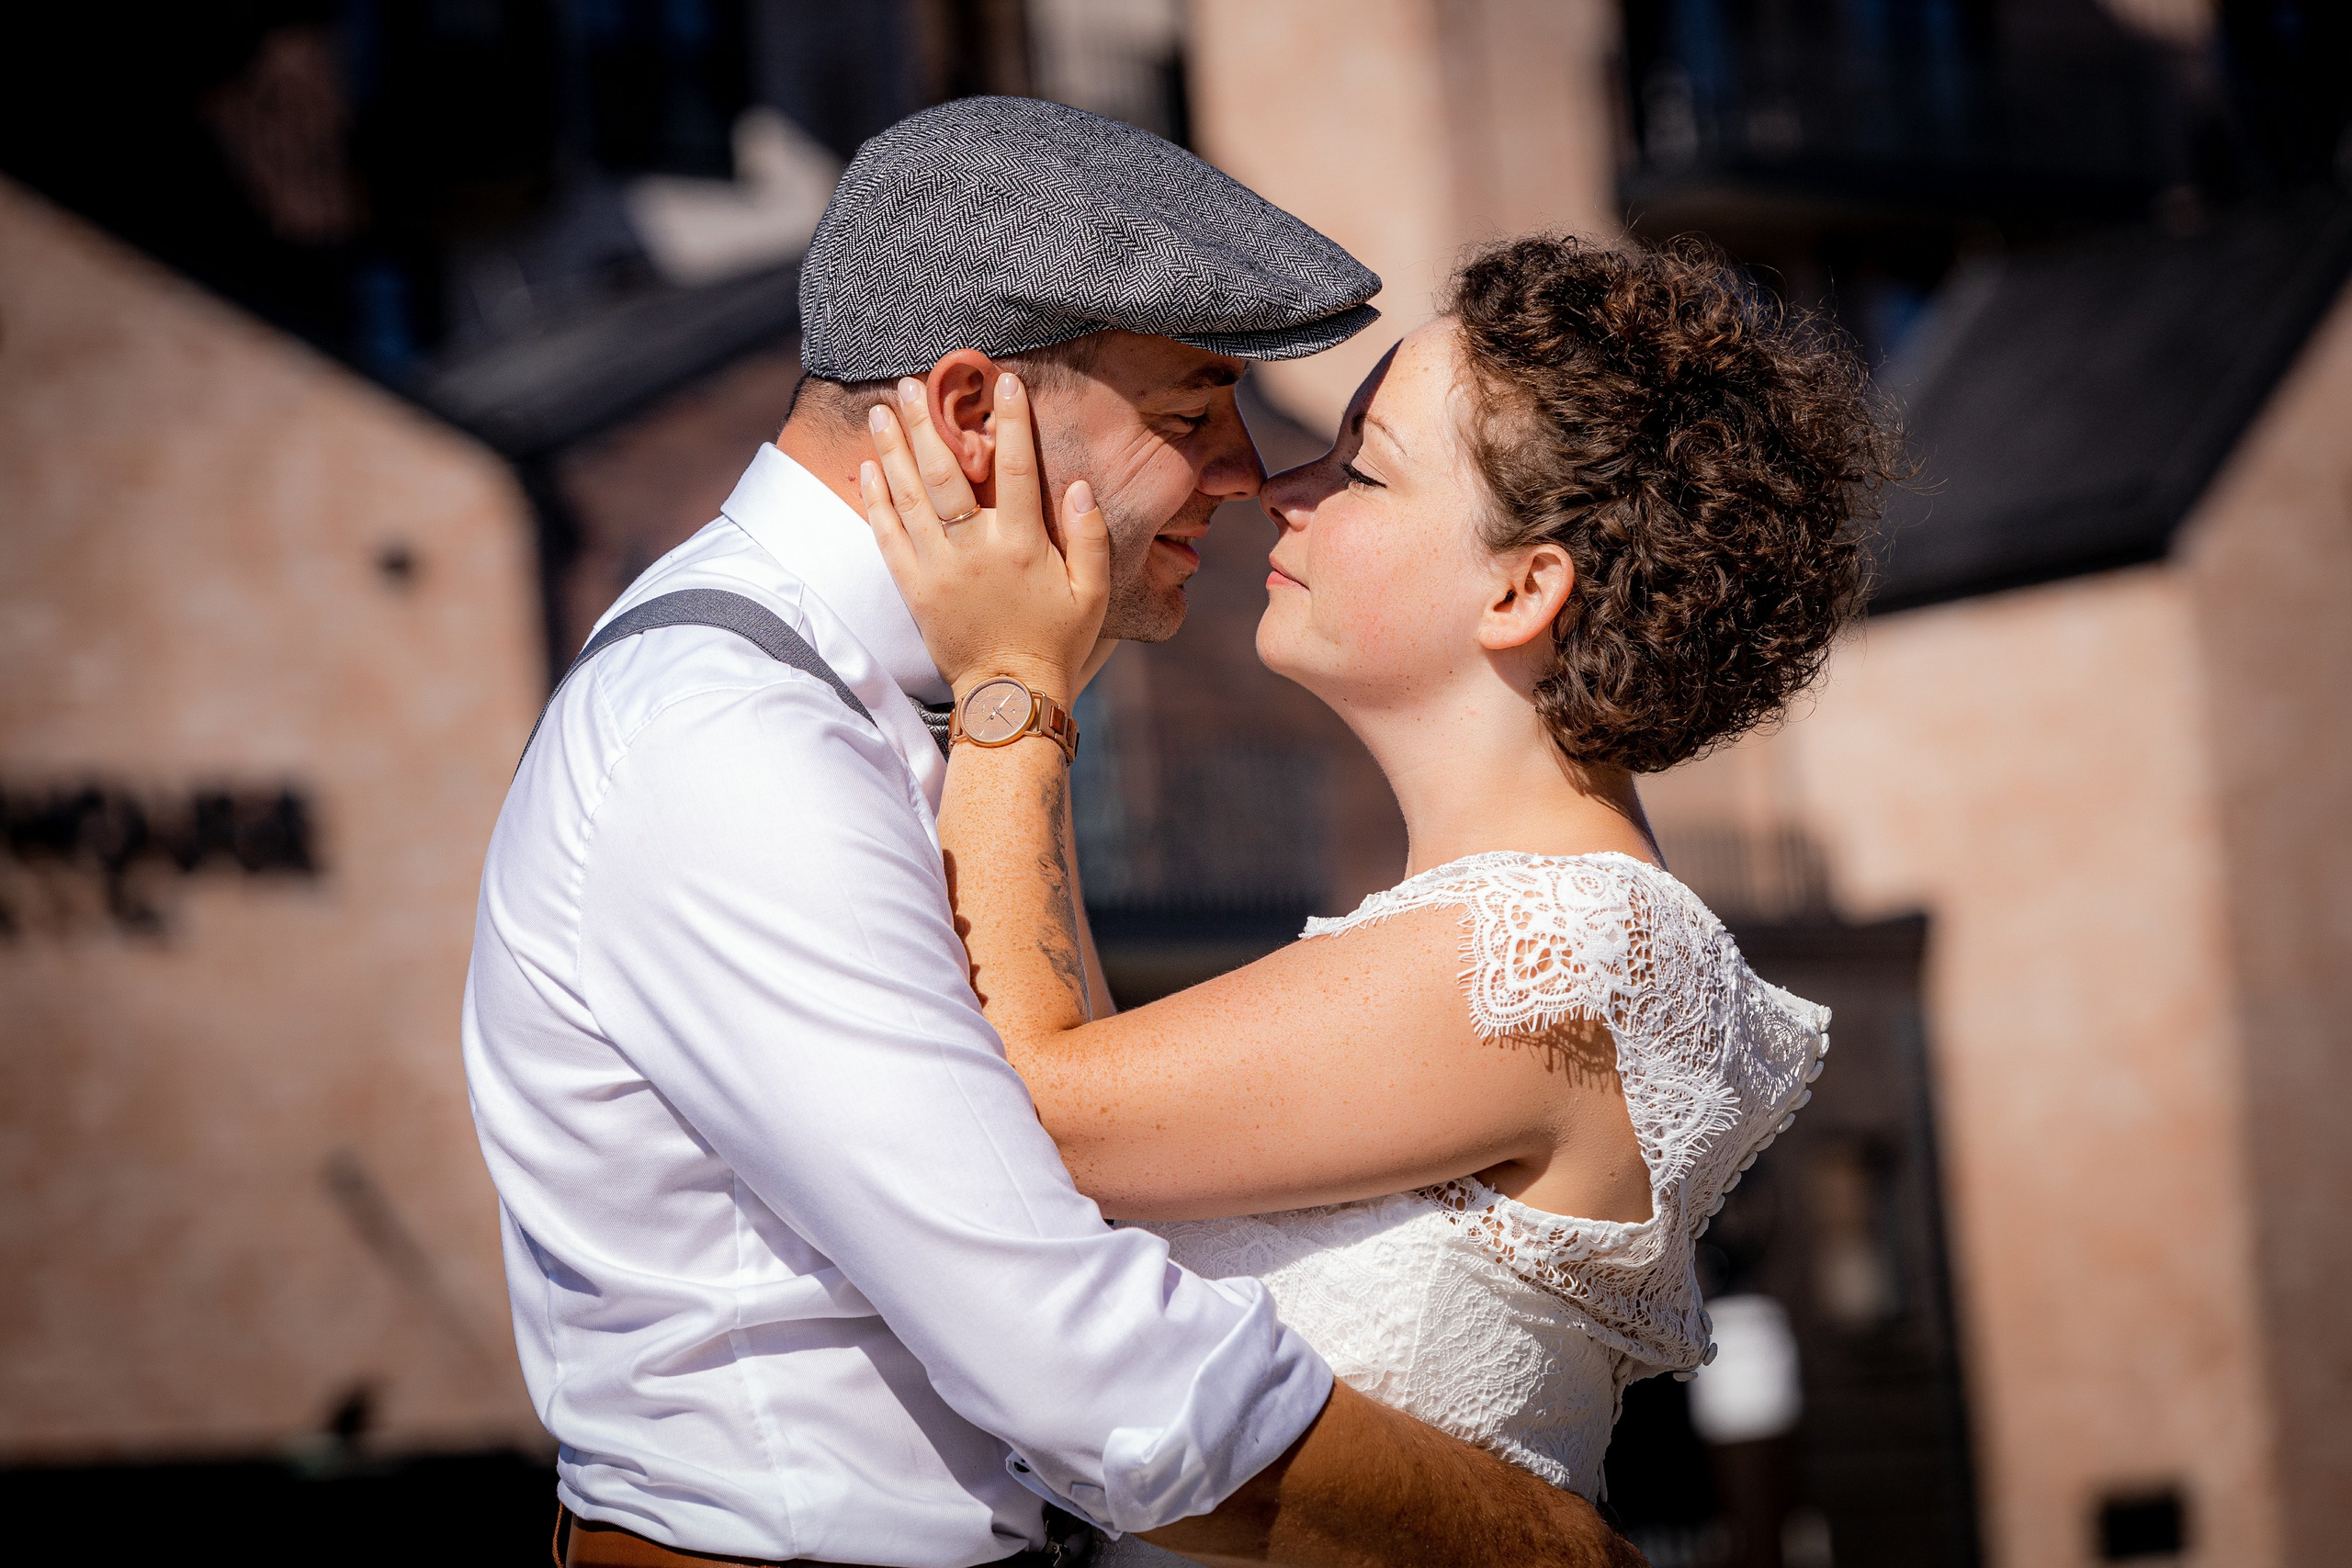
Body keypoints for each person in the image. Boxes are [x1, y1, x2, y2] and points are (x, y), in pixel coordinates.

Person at [464, 97, 1643, 1568]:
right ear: (974, 416)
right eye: (1191, 410)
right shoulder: (732, 742)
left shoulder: (907, 702)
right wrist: (1547, 1550)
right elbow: (1077, 1359)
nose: (1246, 472)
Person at [859, 232, 1898, 1563]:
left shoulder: (1562, 950)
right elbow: (1091, 1098)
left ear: (1523, 591)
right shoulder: (1513, 929)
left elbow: (1030, 1116)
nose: (1279, 490)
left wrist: (1012, 679)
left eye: (1360, 469)